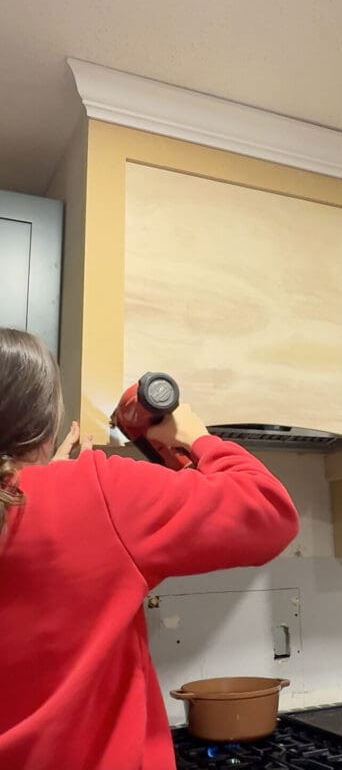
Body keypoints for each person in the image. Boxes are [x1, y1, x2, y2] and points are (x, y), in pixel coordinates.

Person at [0, 328, 299, 770]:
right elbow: (271, 512)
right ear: (46, 424)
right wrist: (197, 435)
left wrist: (47, 482)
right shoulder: (97, 492)